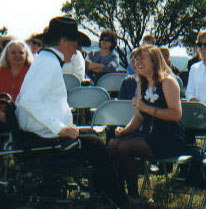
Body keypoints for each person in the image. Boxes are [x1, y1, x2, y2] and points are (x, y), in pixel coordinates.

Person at [15, 16, 145, 209]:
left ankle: (108, 197)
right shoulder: (48, 64)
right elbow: (28, 101)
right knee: (96, 146)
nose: (77, 49)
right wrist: (60, 128)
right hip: (44, 140)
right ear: (64, 42)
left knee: (92, 138)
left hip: (40, 135)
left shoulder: (44, 60)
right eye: (75, 43)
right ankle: (120, 201)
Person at [109, 45, 186, 201]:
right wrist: (124, 131)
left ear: (155, 60)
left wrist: (146, 108)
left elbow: (176, 115)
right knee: (113, 143)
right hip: (149, 136)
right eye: (136, 59)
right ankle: (117, 194)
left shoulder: (168, 82)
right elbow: (139, 117)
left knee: (123, 147)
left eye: (142, 58)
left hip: (169, 138)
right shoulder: (141, 83)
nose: (138, 62)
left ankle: (132, 196)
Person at [0, 39, 33, 129]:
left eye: (21, 53)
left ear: (26, 56)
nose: (17, 55)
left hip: (26, 118)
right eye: (13, 53)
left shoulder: (32, 73)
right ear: (7, 56)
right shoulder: (1, 72)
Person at [185, 31, 206, 103]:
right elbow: (189, 92)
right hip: (199, 112)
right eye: (200, 44)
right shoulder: (194, 68)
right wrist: (192, 99)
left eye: (205, 44)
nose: (203, 47)